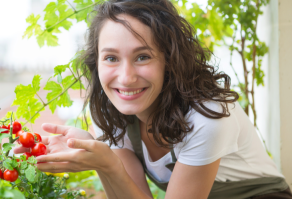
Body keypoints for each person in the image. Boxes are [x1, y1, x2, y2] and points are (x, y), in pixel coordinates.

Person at [15, 0, 292, 198]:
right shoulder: (114, 112)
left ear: (169, 60)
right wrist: (95, 153)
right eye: (111, 58)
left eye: (143, 57)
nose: (125, 78)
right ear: (96, 63)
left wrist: (108, 162)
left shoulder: (207, 115)